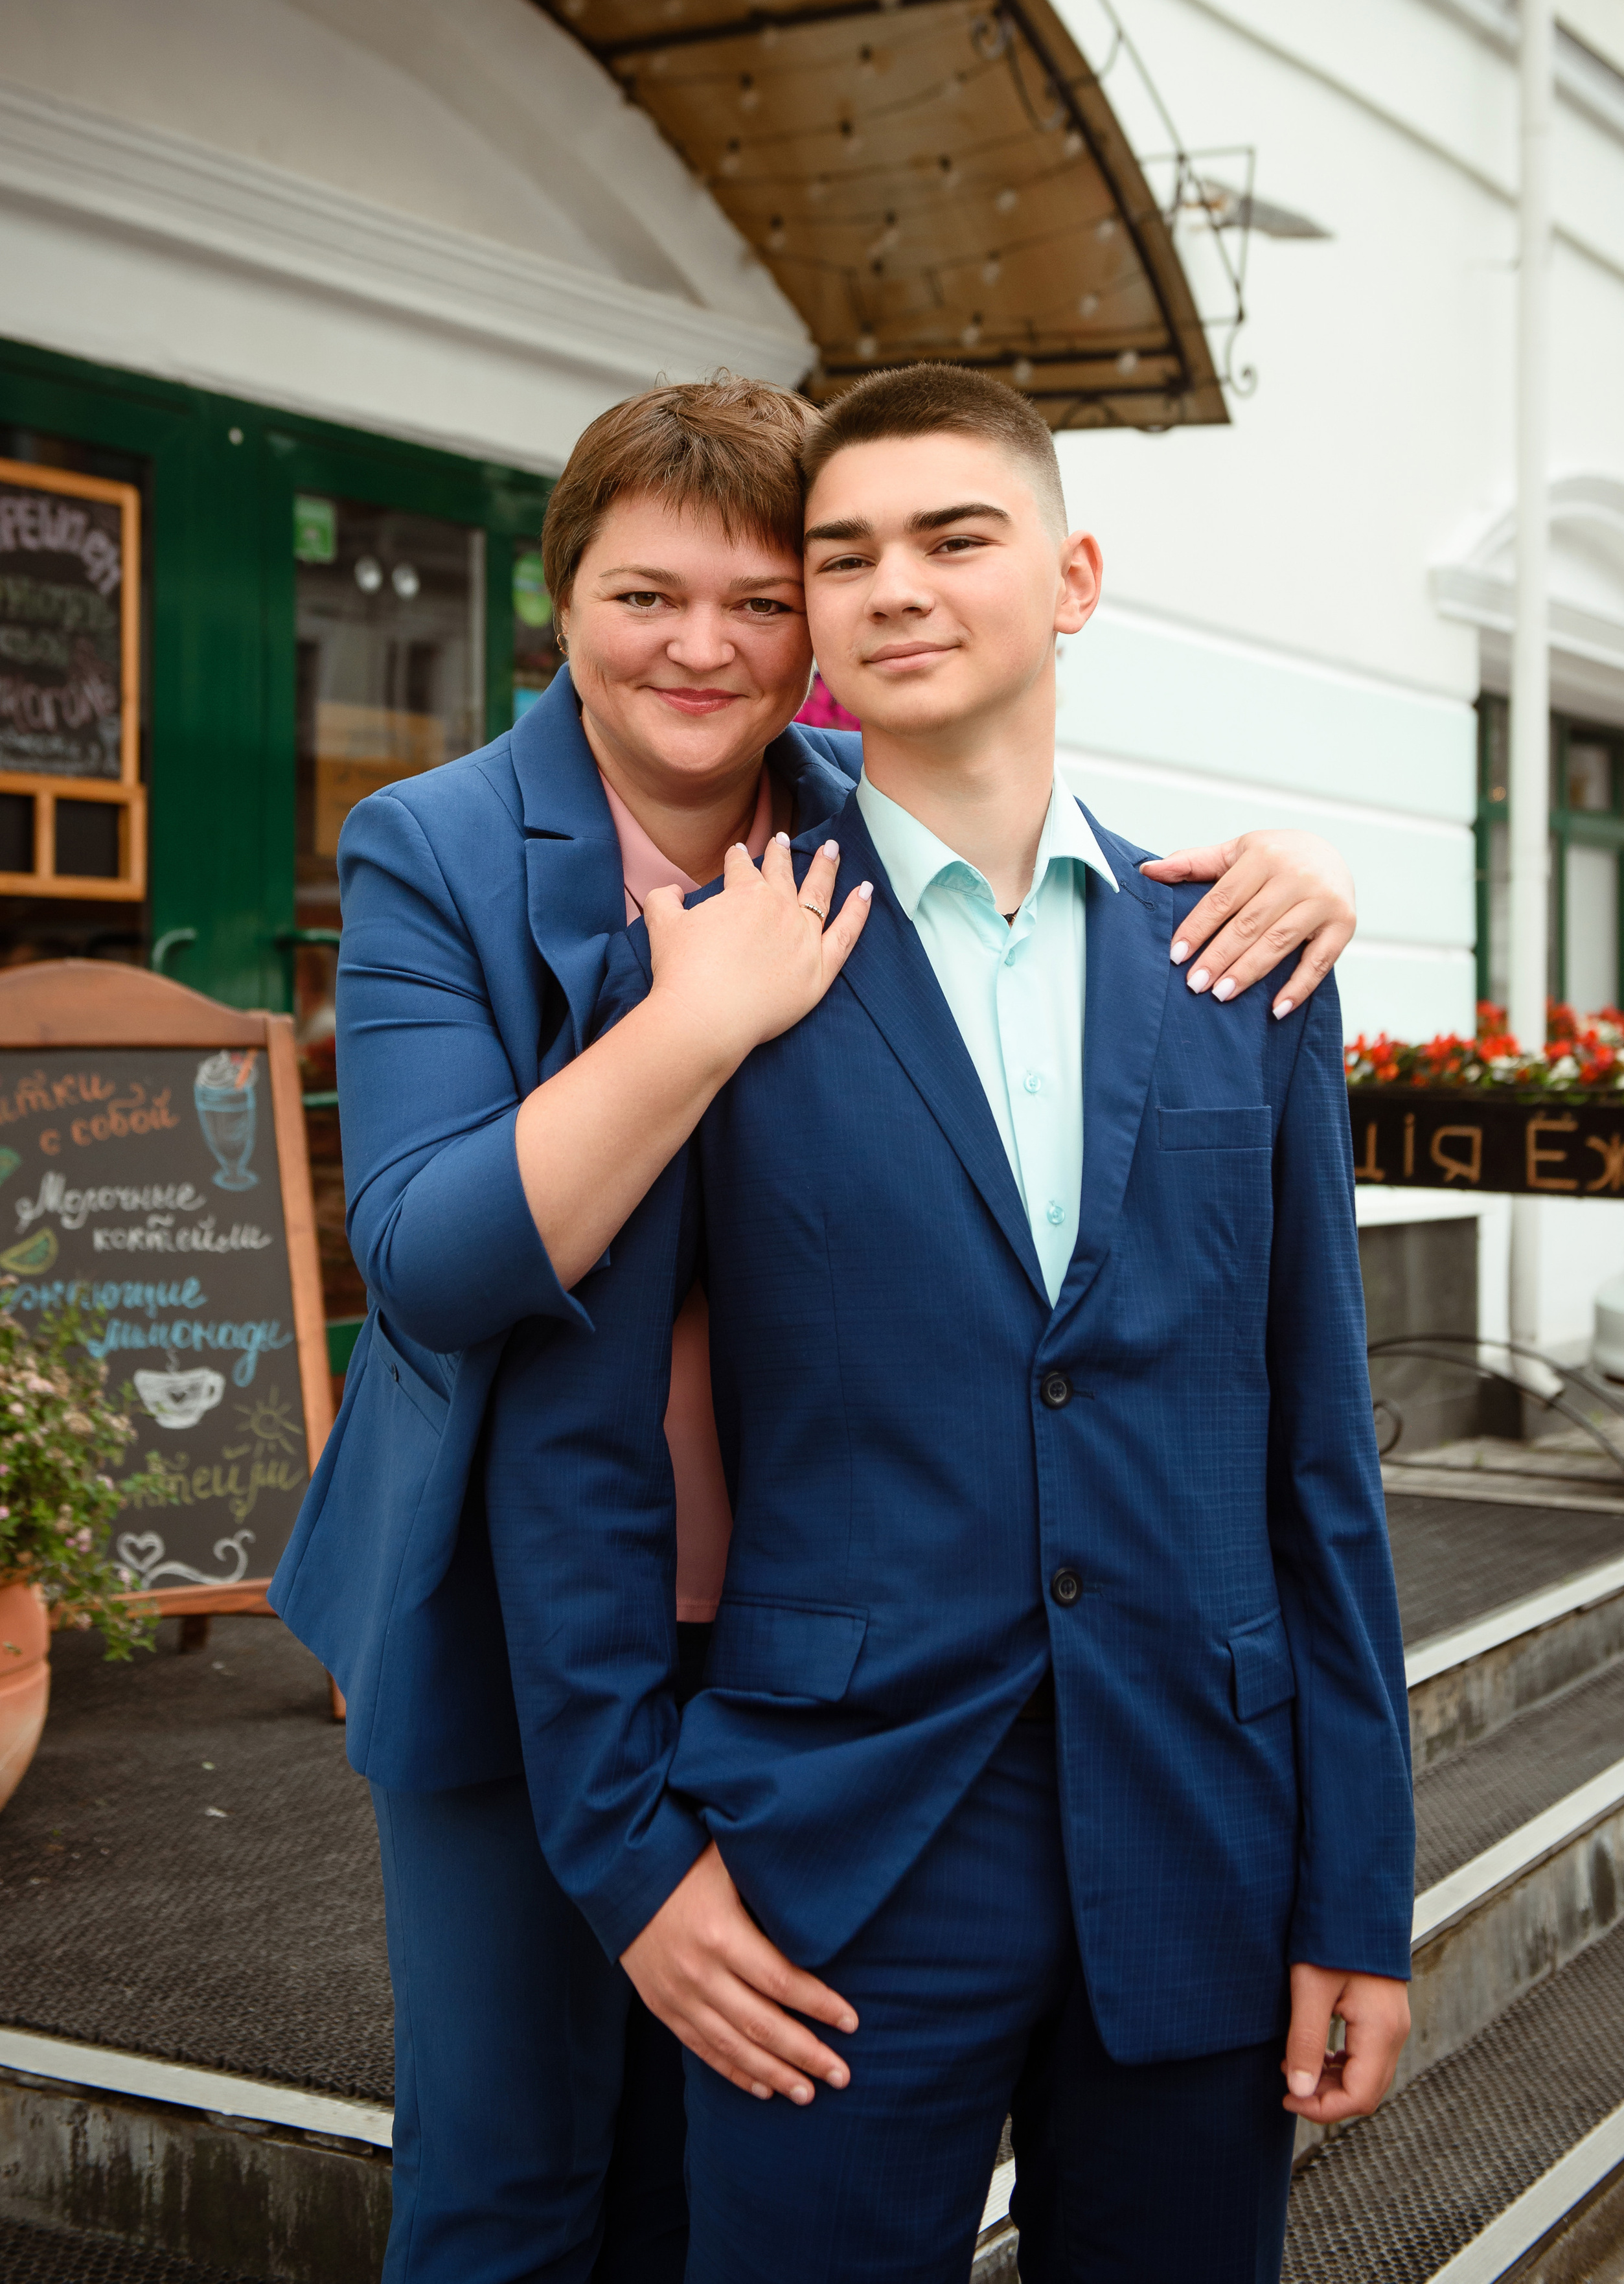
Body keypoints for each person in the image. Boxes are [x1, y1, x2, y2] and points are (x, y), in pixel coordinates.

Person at [271, 375, 1366, 2284]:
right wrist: (695, 1016)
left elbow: (1023, 853)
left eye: (761, 599)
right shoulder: (449, 850)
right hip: (527, 1612)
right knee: (517, 2171)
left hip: (833, 1628)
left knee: (693, 2185)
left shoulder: (872, 839)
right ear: (562, 602)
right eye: (644, 595)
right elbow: (440, 1272)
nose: (704, 645)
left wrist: (1293, 872)